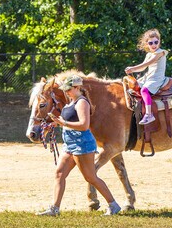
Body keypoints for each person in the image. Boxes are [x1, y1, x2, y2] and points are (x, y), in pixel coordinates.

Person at [37, 74, 121, 216]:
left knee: (90, 177)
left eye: (69, 89)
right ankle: (54, 208)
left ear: (77, 88)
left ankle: (113, 205)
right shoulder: (71, 102)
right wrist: (53, 123)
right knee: (59, 174)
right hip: (70, 143)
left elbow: (83, 125)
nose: (66, 92)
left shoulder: (82, 102)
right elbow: (68, 120)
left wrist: (63, 123)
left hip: (82, 144)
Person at [124, 28, 168, 125]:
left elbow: (148, 63)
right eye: (151, 43)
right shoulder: (149, 54)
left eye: (156, 42)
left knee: (144, 90)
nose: (154, 45)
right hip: (149, 77)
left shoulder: (161, 52)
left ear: (159, 41)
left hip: (157, 78)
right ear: (147, 44)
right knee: (133, 88)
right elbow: (143, 68)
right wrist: (132, 69)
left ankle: (149, 114)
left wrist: (133, 68)